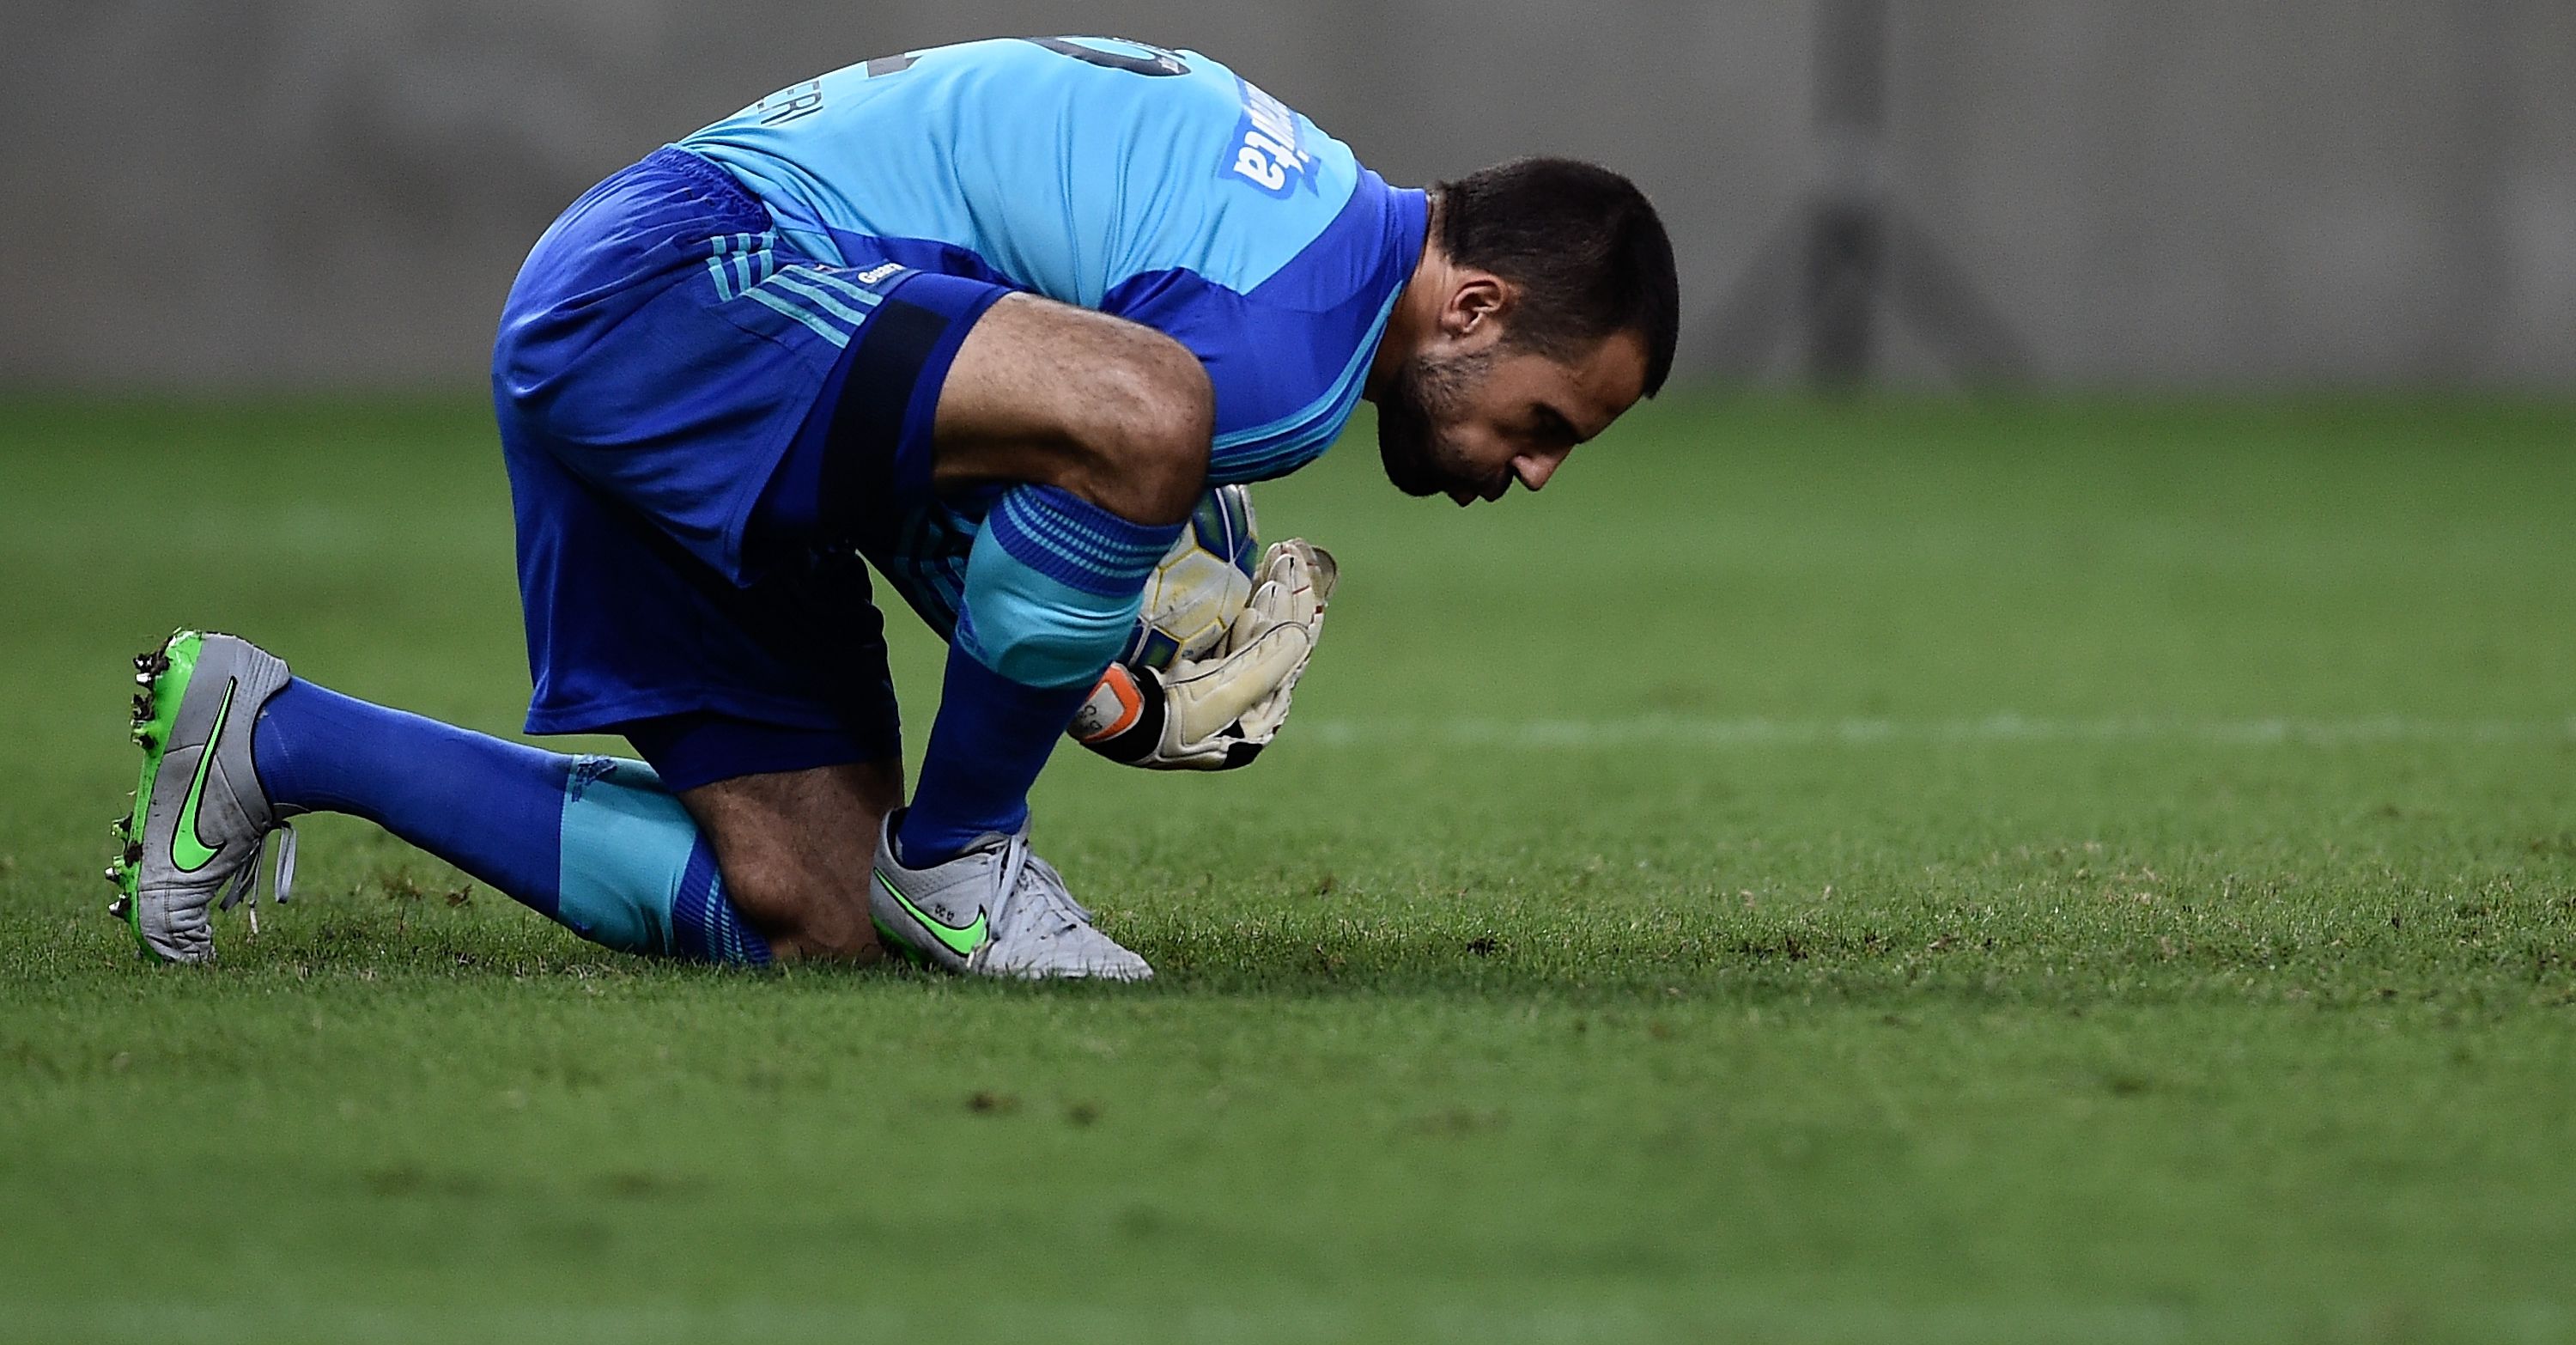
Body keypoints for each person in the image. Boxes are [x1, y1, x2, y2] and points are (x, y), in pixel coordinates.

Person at [106, 36, 1679, 980]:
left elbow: (972, 434)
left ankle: (270, 734)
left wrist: (1105, 639)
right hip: (684, 276)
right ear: (1472, 308)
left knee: (805, 908)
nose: (1533, 470)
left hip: (696, 316)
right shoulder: (1282, 358)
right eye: (1547, 425)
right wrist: (1103, 678)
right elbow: (1062, 465)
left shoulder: (1314, 239)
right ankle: (968, 856)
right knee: (1153, 420)